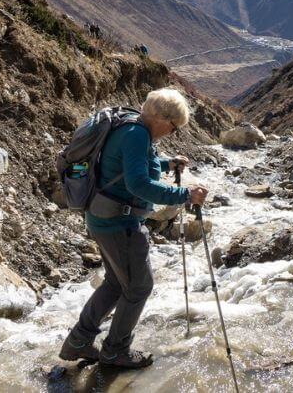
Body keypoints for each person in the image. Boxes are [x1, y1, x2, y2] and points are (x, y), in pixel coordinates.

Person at [59, 88, 208, 368]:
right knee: (139, 286)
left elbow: (126, 165)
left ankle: (78, 343)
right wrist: (185, 195)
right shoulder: (137, 135)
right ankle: (115, 350)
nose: (172, 133)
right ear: (162, 118)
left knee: (116, 284)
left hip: (104, 219)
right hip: (119, 223)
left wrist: (167, 163)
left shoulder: (131, 126)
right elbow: (138, 184)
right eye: (174, 128)